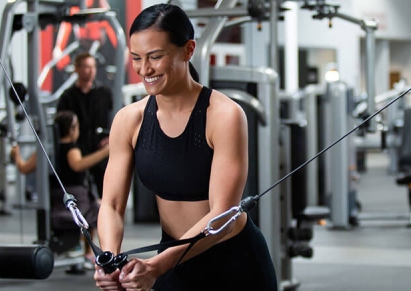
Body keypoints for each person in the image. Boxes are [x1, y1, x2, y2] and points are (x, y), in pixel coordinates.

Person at [94, 4, 277, 291]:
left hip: (232, 261)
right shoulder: (129, 120)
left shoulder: (224, 115)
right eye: (136, 58)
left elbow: (223, 214)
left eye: (155, 57)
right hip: (172, 260)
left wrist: (158, 266)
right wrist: (109, 262)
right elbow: (112, 205)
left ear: (188, 50)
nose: (145, 69)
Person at [12, 110, 110, 266]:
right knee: (99, 211)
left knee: (92, 210)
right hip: (73, 197)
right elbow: (77, 165)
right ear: (72, 129)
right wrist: (105, 152)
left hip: (54, 198)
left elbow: (24, 168)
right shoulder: (72, 149)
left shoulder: (46, 149)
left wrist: (16, 154)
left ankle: (84, 250)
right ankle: (88, 252)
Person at [57, 52, 113, 199]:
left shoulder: (104, 93)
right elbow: (62, 123)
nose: (91, 71)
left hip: (99, 146)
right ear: (77, 69)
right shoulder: (67, 97)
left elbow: (115, 117)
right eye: (87, 67)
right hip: (78, 148)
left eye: (93, 67)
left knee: (106, 188)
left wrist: (110, 137)